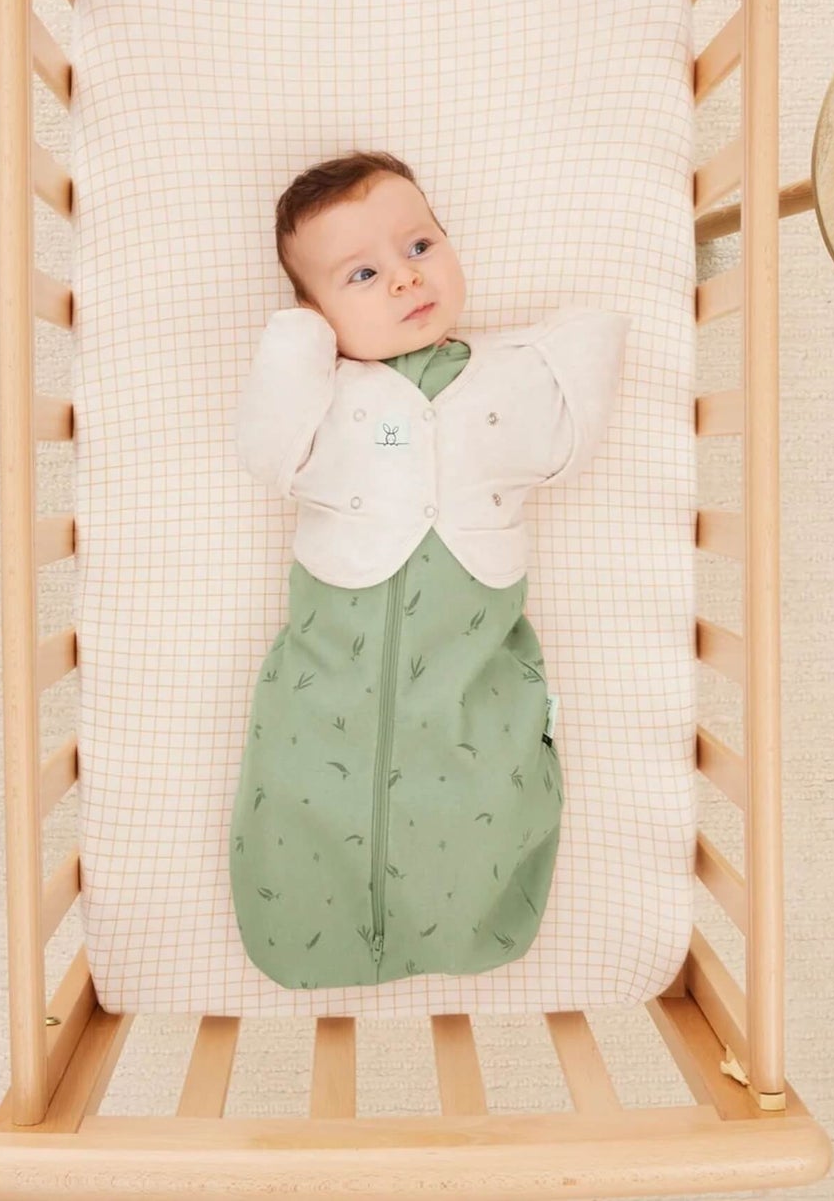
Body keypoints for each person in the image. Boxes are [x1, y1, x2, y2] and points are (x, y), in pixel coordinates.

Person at [229, 149, 630, 989]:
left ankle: (469, 922)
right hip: (325, 673)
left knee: (482, 778)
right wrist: (300, 339)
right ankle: (308, 930)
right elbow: (266, 451)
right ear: (314, 311)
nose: (406, 281)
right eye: (362, 273)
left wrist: (584, 340)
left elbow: (568, 436)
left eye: (419, 247)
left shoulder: (504, 373)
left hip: (469, 664)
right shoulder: (324, 394)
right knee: (307, 785)